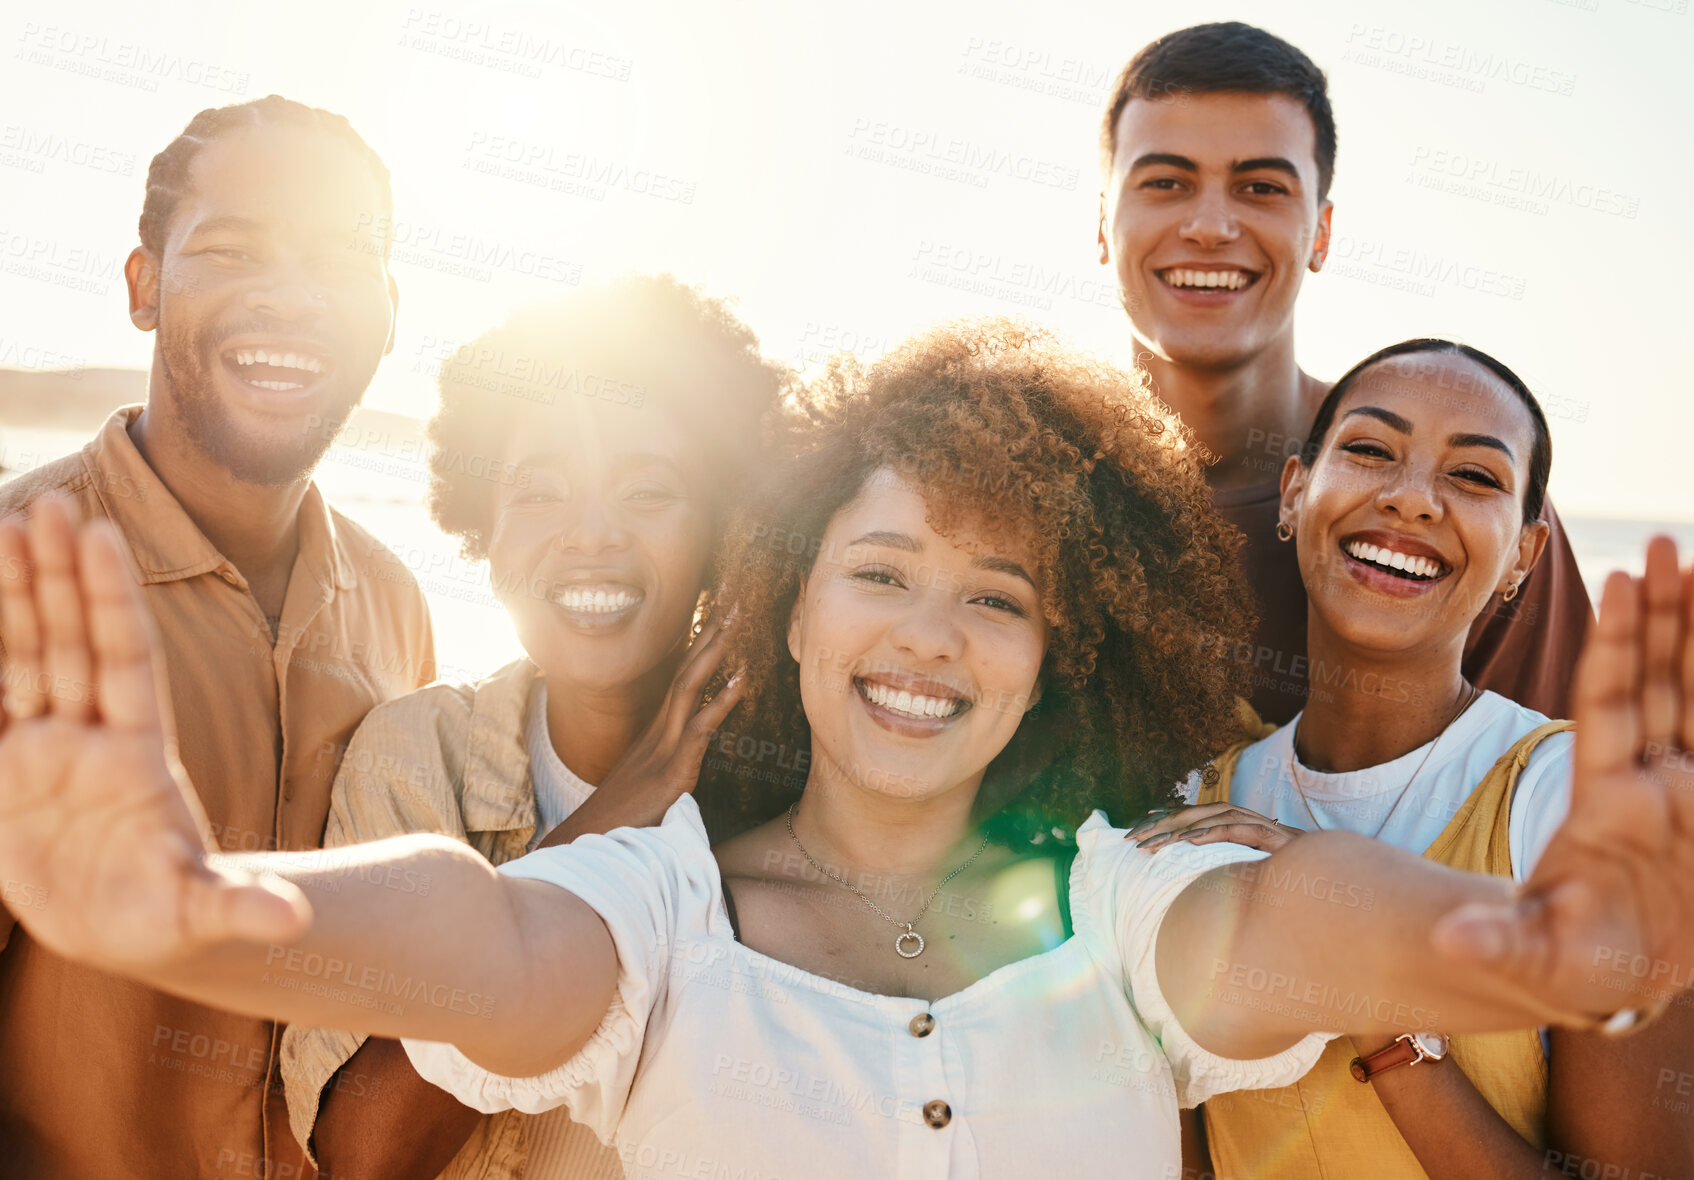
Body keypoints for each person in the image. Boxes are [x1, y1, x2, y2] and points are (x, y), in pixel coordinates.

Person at [1, 323, 1689, 1180]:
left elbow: (1305, 920)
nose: (927, 636)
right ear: (788, 610)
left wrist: (1531, 945)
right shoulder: (654, 911)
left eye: (996, 598)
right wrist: (196, 908)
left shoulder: (1112, 911)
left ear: (1057, 659)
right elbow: (483, 932)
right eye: (877, 574)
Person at [1129, 339, 1694, 1178]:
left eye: (1474, 476)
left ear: (1525, 557)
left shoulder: (1577, 807)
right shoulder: (1196, 803)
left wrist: (1378, 1009)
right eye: (1368, 450)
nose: (1412, 499)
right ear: (1294, 493)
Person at [0, 97, 434, 1179]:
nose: (291, 296)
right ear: (146, 287)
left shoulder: (394, 606)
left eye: (340, 259)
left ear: (386, 306)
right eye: (234, 249)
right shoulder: (18, 577)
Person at [280, 275, 788, 1180]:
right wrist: (607, 826)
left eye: (648, 491)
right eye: (539, 493)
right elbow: (364, 1153)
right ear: (487, 533)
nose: (590, 535)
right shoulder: (415, 756)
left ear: (723, 527)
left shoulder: (793, 766)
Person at [1096, 22, 1593, 724]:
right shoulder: (1014, 482)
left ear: (1321, 234)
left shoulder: (1459, 506)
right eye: (1166, 182)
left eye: (1261, 186)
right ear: (1101, 224)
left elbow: (1558, 808)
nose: (1210, 225)